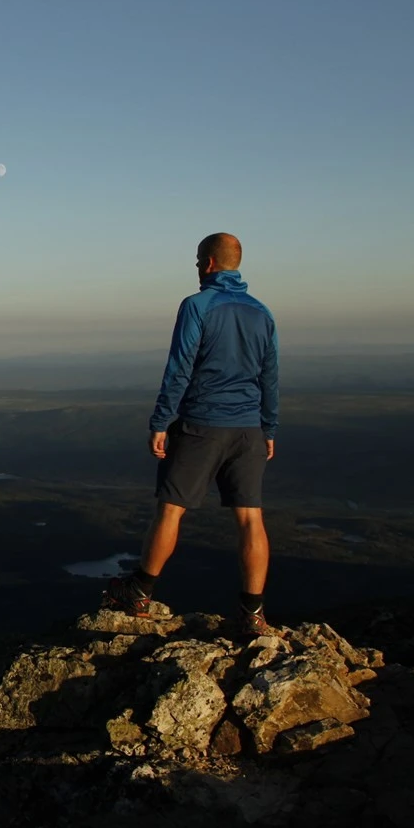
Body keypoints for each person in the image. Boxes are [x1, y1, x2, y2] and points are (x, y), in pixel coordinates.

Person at [103, 232, 279, 635]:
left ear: (211, 263)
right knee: (251, 519)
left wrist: (161, 421)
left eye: (199, 261)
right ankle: (253, 613)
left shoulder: (198, 306)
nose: (198, 268)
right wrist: (268, 427)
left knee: (171, 509)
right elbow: (270, 375)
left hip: (202, 423)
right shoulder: (261, 313)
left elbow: (180, 367)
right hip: (249, 428)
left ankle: (140, 592)